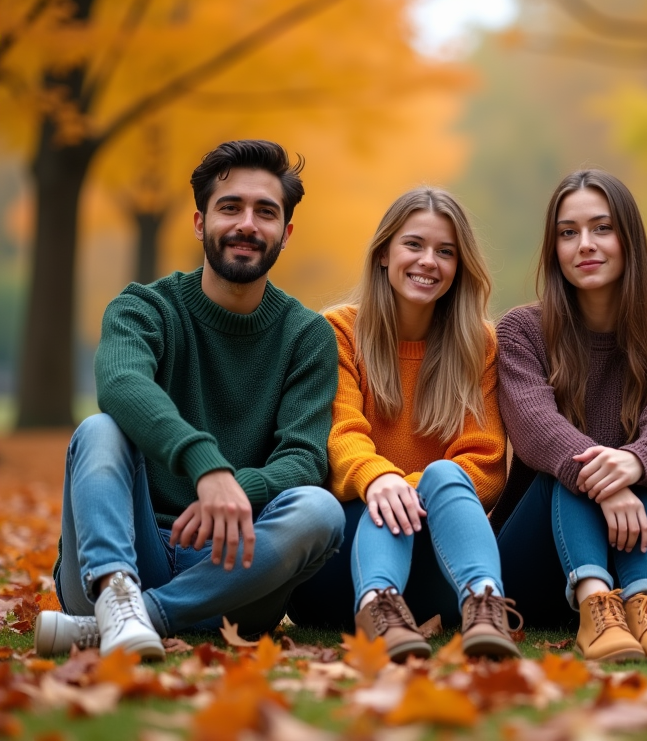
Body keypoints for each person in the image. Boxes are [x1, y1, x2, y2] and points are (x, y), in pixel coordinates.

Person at [35, 140, 344, 659]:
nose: (247, 224)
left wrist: (233, 489)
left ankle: (133, 618)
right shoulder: (144, 308)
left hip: (235, 572)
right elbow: (122, 387)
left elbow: (305, 458)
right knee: (98, 430)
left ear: (285, 234)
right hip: (133, 549)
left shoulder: (307, 335)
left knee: (321, 510)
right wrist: (207, 468)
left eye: (265, 212)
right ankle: (115, 594)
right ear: (200, 223)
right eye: (230, 207)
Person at [287, 187, 521, 661]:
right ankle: (377, 604)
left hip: (438, 566)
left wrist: (405, 489)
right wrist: (380, 481)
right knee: (389, 490)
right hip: (341, 574)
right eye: (414, 245)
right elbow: (339, 436)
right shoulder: (337, 332)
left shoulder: (478, 345)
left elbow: (485, 460)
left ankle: (484, 602)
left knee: (445, 473)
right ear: (383, 254)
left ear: (459, 268)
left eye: (446, 252)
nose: (428, 261)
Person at [490, 170, 647, 663]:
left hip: (642, 553)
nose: (585, 244)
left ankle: (646, 608)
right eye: (568, 232)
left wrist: (635, 464)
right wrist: (614, 473)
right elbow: (536, 428)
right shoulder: (522, 331)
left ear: (629, 239)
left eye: (602, 228)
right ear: (554, 248)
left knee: (636, 460)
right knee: (572, 466)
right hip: (535, 567)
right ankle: (594, 609)